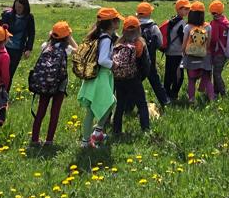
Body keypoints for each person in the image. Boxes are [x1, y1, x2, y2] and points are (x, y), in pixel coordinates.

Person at [78, 8, 120, 149]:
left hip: (95, 76)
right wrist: (114, 64)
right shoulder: (106, 39)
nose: (119, 21)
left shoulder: (98, 35)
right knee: (99, 107)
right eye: (117, 19)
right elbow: (102, 60)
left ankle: (96, 133)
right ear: (112, 23)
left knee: (109, 102)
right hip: (101, 76)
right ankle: (88, 140)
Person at [30, 21, 77, 147]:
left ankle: (34, 139)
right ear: (66, 36)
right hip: (59, 84)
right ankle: (49, 140)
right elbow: (78, 50)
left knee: (41, 111)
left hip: (44, 83)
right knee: (54, 112)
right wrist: (70, 38)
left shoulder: (45, 45)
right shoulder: (66, 49)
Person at [113, 16, 151, 135]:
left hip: (119, 79)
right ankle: (145, 129)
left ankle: (116, 130)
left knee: (120, 104)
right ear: (139, 29)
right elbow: (146, 65)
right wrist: (141, 77)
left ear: (124, 30)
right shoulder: (140, 44)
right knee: (142, 104)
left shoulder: (118, 43)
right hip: (134, 79)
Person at [137, 2, 171, 107]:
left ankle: (129, 106)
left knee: (136, 83)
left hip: (136, 60)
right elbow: (160, 43)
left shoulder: (134, 25)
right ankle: (165, 101)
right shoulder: (153, 27)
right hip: (150, 59)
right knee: (156, 81)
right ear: (149, 14)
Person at [182, 1, 215, 104]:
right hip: (205, 56)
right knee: (207, 79)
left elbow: (184, 43)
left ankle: (191, 99)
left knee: (191, 79)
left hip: (191, 56)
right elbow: (208, 43)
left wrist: (184, 53)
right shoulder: (208, 26)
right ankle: (212, 99)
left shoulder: (188, 27)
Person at [0, 0, 35, 87]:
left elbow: (31, 33)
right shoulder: (8, 15)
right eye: (16, 6)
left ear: (25, 7)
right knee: (0, 73)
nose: (17, 9)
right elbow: (0, 29)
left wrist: (28, 49)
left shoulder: (29, 17)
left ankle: (4, 96)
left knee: (9, 74)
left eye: (20, 7)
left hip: (17, 50)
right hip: (4, 48)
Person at [162, 0, 190, 101]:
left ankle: (166, 93)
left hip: (169, 51)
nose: (188, 11)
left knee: (168, 73)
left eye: (188, 9)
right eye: (185, 8)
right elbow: (183, 39)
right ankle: (174, 95)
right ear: (179, 9)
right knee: (179, 75)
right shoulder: (182, 22)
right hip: (177, 52)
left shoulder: (173, 20)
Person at [209, 1, 229, 97]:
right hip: (225, 50)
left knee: (216, 73)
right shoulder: (225, 21)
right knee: (217, 72)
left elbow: (213, 39)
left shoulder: (215, 23)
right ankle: (215, 92)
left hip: (217, 51)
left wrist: (209, 49)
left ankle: (223, 92)